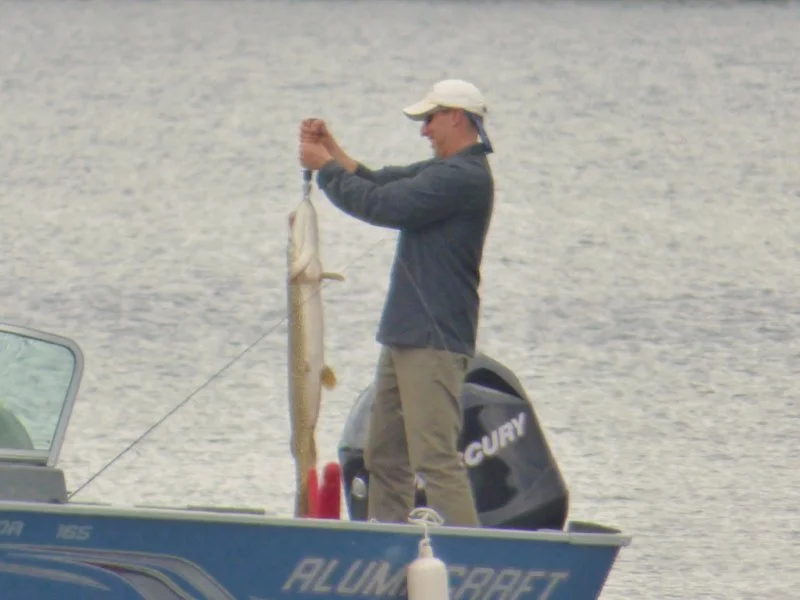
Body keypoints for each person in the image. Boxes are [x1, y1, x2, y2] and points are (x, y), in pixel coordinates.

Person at [298, 79, 495, 527]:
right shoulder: (442, 171)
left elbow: (383, 205)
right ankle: (388, 546)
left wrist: (325, 170)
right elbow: (378, 180)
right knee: (384, 455)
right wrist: (332, 151)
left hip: (434, 338)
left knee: (434, 458)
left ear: (456, 117)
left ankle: (470, 554)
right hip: (404, 334)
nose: (424, 129)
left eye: (430, 119)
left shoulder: (462, 178)